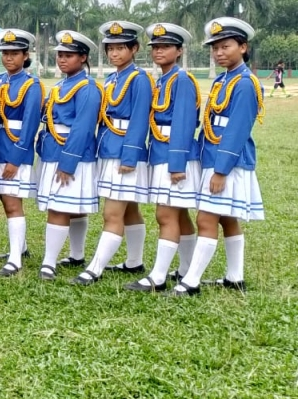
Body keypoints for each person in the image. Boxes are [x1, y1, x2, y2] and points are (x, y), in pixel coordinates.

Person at [172, 17, 264, 296]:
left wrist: (221, 170)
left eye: (226, 46)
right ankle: (235, 277)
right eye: (215, 48)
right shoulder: (224, 79)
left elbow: (237, 130)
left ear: (243, 47)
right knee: (227, 218)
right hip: (212, 155)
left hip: (227, 161)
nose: (219, 53)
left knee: (207, 218)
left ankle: (191, 282)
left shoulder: (245, 83)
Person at [74, 21, 154, 286]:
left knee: (112, 213)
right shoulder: (112, 79)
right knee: (129, 209)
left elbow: (140, 119)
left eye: (121, 48)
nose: (114, 53)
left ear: (134, 49)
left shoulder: (139, 79)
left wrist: (130, 156)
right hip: (108, 147)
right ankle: (134, 261)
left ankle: (95, 268)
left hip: (124, 153)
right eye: (110, 48)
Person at [124, 23, 201, 292]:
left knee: (165, 215)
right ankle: (185, 269)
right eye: (155, 47)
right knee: (179, 215)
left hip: (175, 156)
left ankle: (158, 276)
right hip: (160, 152)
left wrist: (177, 164)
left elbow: (184, 123)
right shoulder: (163, 80)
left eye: (166, 47)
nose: (158, 51)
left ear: (179, 51)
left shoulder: (181, 80)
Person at [36, 30, 101, 282]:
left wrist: (68, 162)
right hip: (53, 149)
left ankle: (49, 262)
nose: (62, 59)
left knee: (60, 207)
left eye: (69, 55)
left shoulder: (87, 88)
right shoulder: (62, 85)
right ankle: (76, 255)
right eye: (60, 55)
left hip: (71, 153)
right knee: (71, 206)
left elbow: (83, 127)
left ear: (83, 58)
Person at [0, 29, 44, 277]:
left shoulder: (31, 85)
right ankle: (20, 248)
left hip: (15, 148)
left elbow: (31, 125)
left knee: (13, 203)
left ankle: (15, 260)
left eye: (14, 53)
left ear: (26, 55)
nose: (9, 57)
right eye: (5, 53)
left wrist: (16, 157)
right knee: (5, 199)